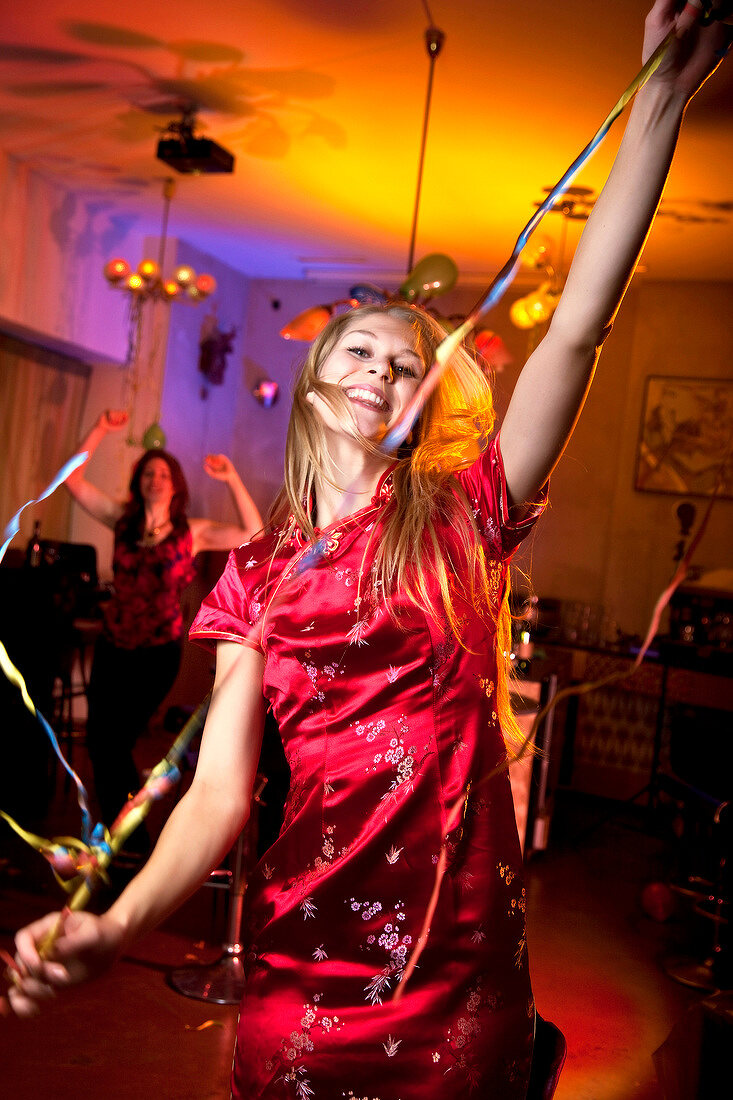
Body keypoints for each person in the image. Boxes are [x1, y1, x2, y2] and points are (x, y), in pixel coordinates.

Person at [3, 4, 728, 1097]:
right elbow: (216, 799)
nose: (385, 370)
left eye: (407, 362)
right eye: (361, 349)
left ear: (422, 399)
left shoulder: (468, 513)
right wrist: (112, 921)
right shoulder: (252, 574)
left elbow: (577, 325)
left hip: (458, 964)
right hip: (300, 955)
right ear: (314, 380)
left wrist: (661, 102)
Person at [61, 409, 263, 838]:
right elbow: (72, 481)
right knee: (101, 744)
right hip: (113, 647)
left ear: (175, 485)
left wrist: (231, 478)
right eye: (148, 473)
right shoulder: (122, 520)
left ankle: (128, 840)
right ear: (139, 482)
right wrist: (98, 428)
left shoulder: (192, 532)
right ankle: (124, 840)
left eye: (163, 475)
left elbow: (254, 531)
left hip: (157, 654)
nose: (155, 480)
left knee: (115, 742)